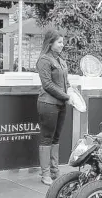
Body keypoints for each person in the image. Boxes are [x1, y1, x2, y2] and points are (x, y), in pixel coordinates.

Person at [36, 29, 71, 185]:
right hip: (48, 104)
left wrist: (71, 92)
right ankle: (45, 174)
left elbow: (66, 83)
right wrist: (66, 96)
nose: (62, 45)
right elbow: (48, 85)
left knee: (56, 138)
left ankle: (55, 170)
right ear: (50, 43)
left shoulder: (61, 60)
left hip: (61, 104)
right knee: (46, 138)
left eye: (62, 42)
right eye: (59, 42)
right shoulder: (44, 60)